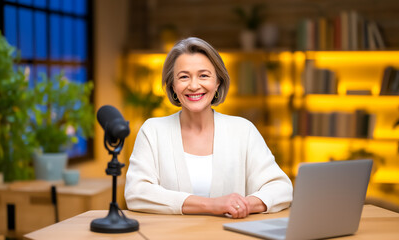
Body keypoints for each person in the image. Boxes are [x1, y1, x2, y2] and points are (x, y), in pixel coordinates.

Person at [125, 37, 292, 219]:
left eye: (204, 75)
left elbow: (281, 188)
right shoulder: (152, 131)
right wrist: (213, 205)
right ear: (173, 85)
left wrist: (243, 205)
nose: (194, 85)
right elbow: (136, 192)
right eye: (184, 77)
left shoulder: (243, 130)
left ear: (218, 82)